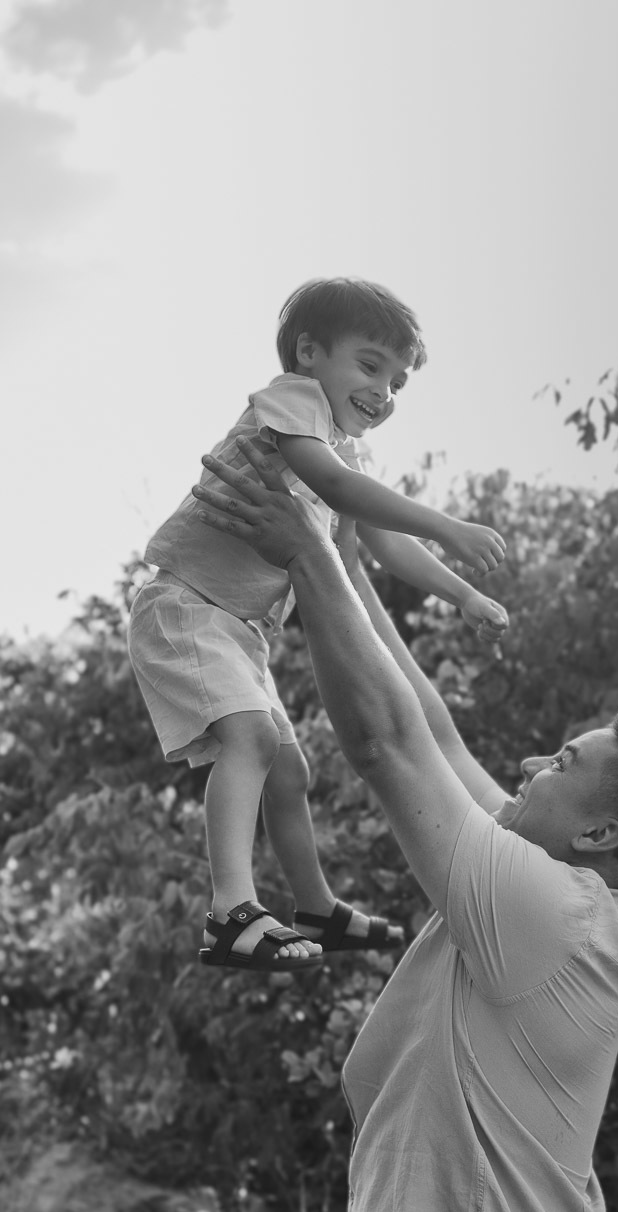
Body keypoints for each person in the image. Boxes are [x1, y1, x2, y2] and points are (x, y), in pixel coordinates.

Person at [193, 436, 618, 1212]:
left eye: (560, 764)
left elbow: (385, 744)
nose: (525, 767)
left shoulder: (556, 913)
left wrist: (304, 549)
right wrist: (352, 569)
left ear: (600, 836)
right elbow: (434, 732)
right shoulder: (570, 888)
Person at [128, 278, 508, 973]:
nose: (384, 391)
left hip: (238, 628)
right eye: (369, 366)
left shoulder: (343, 448)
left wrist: (460, 595)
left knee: (287, 766)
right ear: (310, 352)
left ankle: (315, 911)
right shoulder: (292, 401)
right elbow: (335, 492)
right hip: (187, 607)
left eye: (397, 381)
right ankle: (231, 913)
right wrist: (447, 525)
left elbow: (381, 543)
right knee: (247, 740)